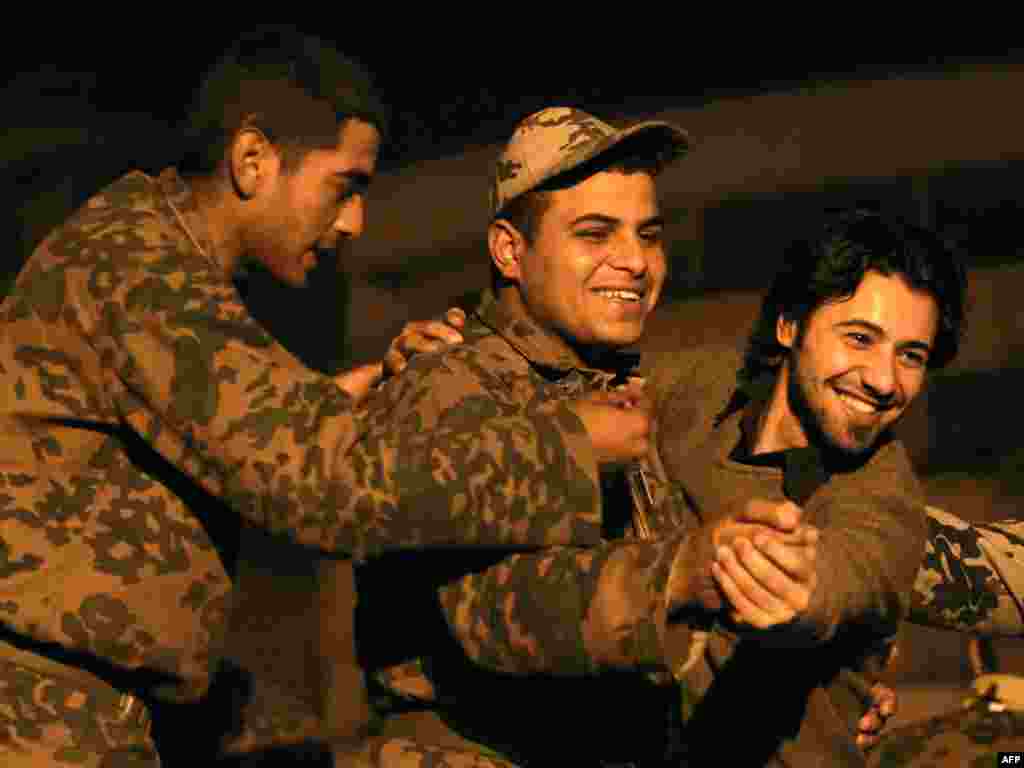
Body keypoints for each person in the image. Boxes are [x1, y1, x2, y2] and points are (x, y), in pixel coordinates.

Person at [0, 31, 632, 767]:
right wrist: (566, 446)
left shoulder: (151, 255)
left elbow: (229, 449)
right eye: (344, 185)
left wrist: (338, 404)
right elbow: (328, 487)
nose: (354, 221)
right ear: (253, 160)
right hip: (41, 717)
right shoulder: (139, 270)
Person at [324, 107, 890, 768]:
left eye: (648, 235)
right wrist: (680, 573)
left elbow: (662, 643)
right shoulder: (448, 384)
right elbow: (482, 613)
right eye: (595, 234)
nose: (634, 261)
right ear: (509, 250)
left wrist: (810, 698)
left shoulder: (627, 396)